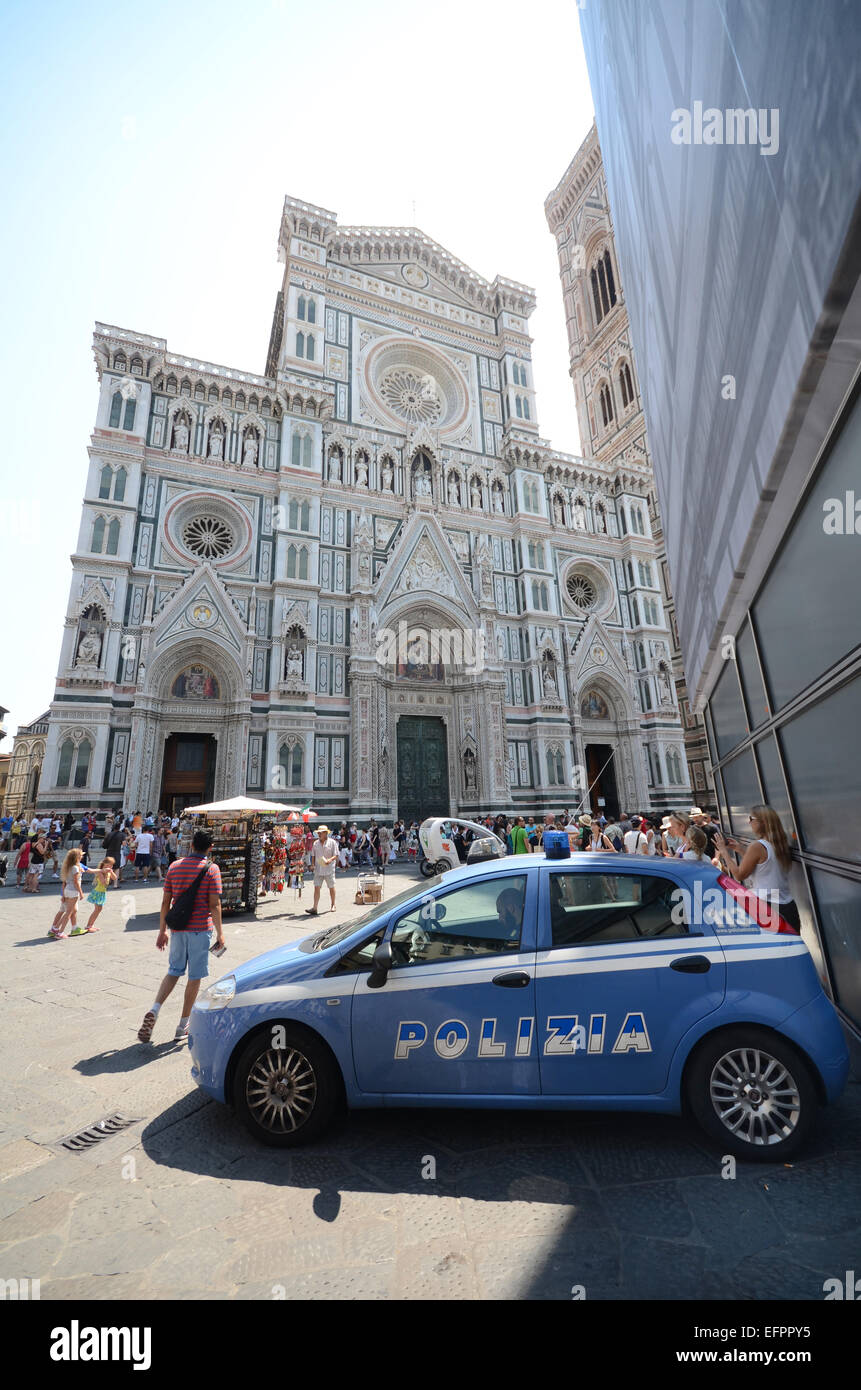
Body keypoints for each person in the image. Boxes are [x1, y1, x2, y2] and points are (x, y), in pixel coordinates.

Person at [137, 829, 225, 1044]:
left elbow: (165, 903)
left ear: (192, 845)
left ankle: (155, 1009)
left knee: (173, 971)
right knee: (194, 977)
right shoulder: (212, 869)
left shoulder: (175, 867)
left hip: (177, 930)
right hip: (200, 930)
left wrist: (162, 931)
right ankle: (183, 1024)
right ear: (210, 847)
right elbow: (214, 905)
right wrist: (221, 933)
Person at [714, 805, 801, 931]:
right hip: (788, 906)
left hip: (769, 908)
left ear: (762, 822)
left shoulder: (757, 846)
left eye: (751, 818)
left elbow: (739, 875)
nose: (749, 822)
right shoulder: (780, 843)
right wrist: (740, 849)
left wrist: (724, 852)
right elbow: (763, 865)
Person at [49, 848, 85, 938]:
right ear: (77, 857)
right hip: (73, 891)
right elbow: (76, 882)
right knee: (68, 913)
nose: (82, 856)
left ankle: (55, 928)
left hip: (67, 890)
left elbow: (64, 882)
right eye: (81, 855)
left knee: (66, 911)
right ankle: (60, 932)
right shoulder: (75, 868)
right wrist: (81, 893)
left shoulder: (68, 867)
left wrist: (63, 895)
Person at [305, 825, 337, 916]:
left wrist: (329, 860)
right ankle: (315, 907)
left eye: (321, 832)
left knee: (331, 887)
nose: (319, 834)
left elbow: (336, 855)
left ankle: (333, 904)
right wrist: (312, 865)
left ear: (326, 833)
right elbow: (313, 856)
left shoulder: (332, 842)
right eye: (318, 832)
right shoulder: (315, 843)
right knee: (316, 887)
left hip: (329, 868)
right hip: (318, 869)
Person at [81, 857, 117, 931]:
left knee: (98, 910)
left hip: (102, 892)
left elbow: (115, 878)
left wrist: (111, 872)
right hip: (98, 892)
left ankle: (90, 925)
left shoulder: (108, 871)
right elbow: (104, 883)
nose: (110, 867)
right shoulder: (100, 872)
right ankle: (88, 926)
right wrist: (107, 874)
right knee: (97, 910)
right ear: (104, 865)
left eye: (111, 865)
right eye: (109, 865)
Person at [102, 820, 126, 886]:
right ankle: (115, 884)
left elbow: (104, 844)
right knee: (117, 868)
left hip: (109, 852)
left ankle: (107, 882)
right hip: (117, 852)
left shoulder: (109, 834)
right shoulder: (122, 835)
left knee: (108, 867)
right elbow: (124, 844)